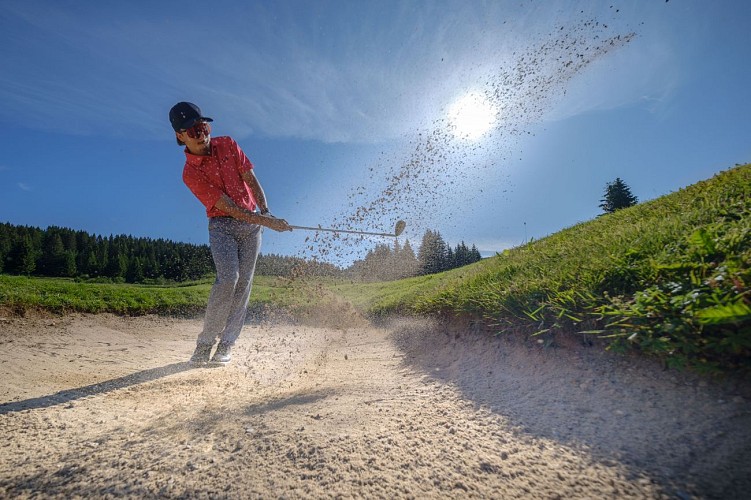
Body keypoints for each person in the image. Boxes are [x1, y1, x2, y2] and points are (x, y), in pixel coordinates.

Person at [169, 101, 291, 364]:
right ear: (180, 136)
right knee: (228, 280)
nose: (200, 133)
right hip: (222, 226)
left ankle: (226, 344)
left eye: (202, 126)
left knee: (244, 285)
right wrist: (266, 221)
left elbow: (250, 178)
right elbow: (228, 207)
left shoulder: (228, 144)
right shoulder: (189, 173)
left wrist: (265, 211)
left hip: (252, 227)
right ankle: (204, 345)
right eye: (191, 131)